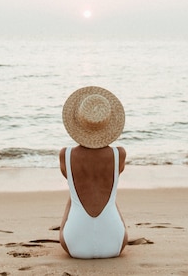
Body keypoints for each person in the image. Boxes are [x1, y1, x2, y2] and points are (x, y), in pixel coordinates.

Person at [59, 85, 128, 259]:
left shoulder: (65, 155)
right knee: (111, 196)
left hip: (75, 245)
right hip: (115, 244)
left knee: (73, 194)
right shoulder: (119, 154)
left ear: (78, 122)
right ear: (109, 123)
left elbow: (71, 179)